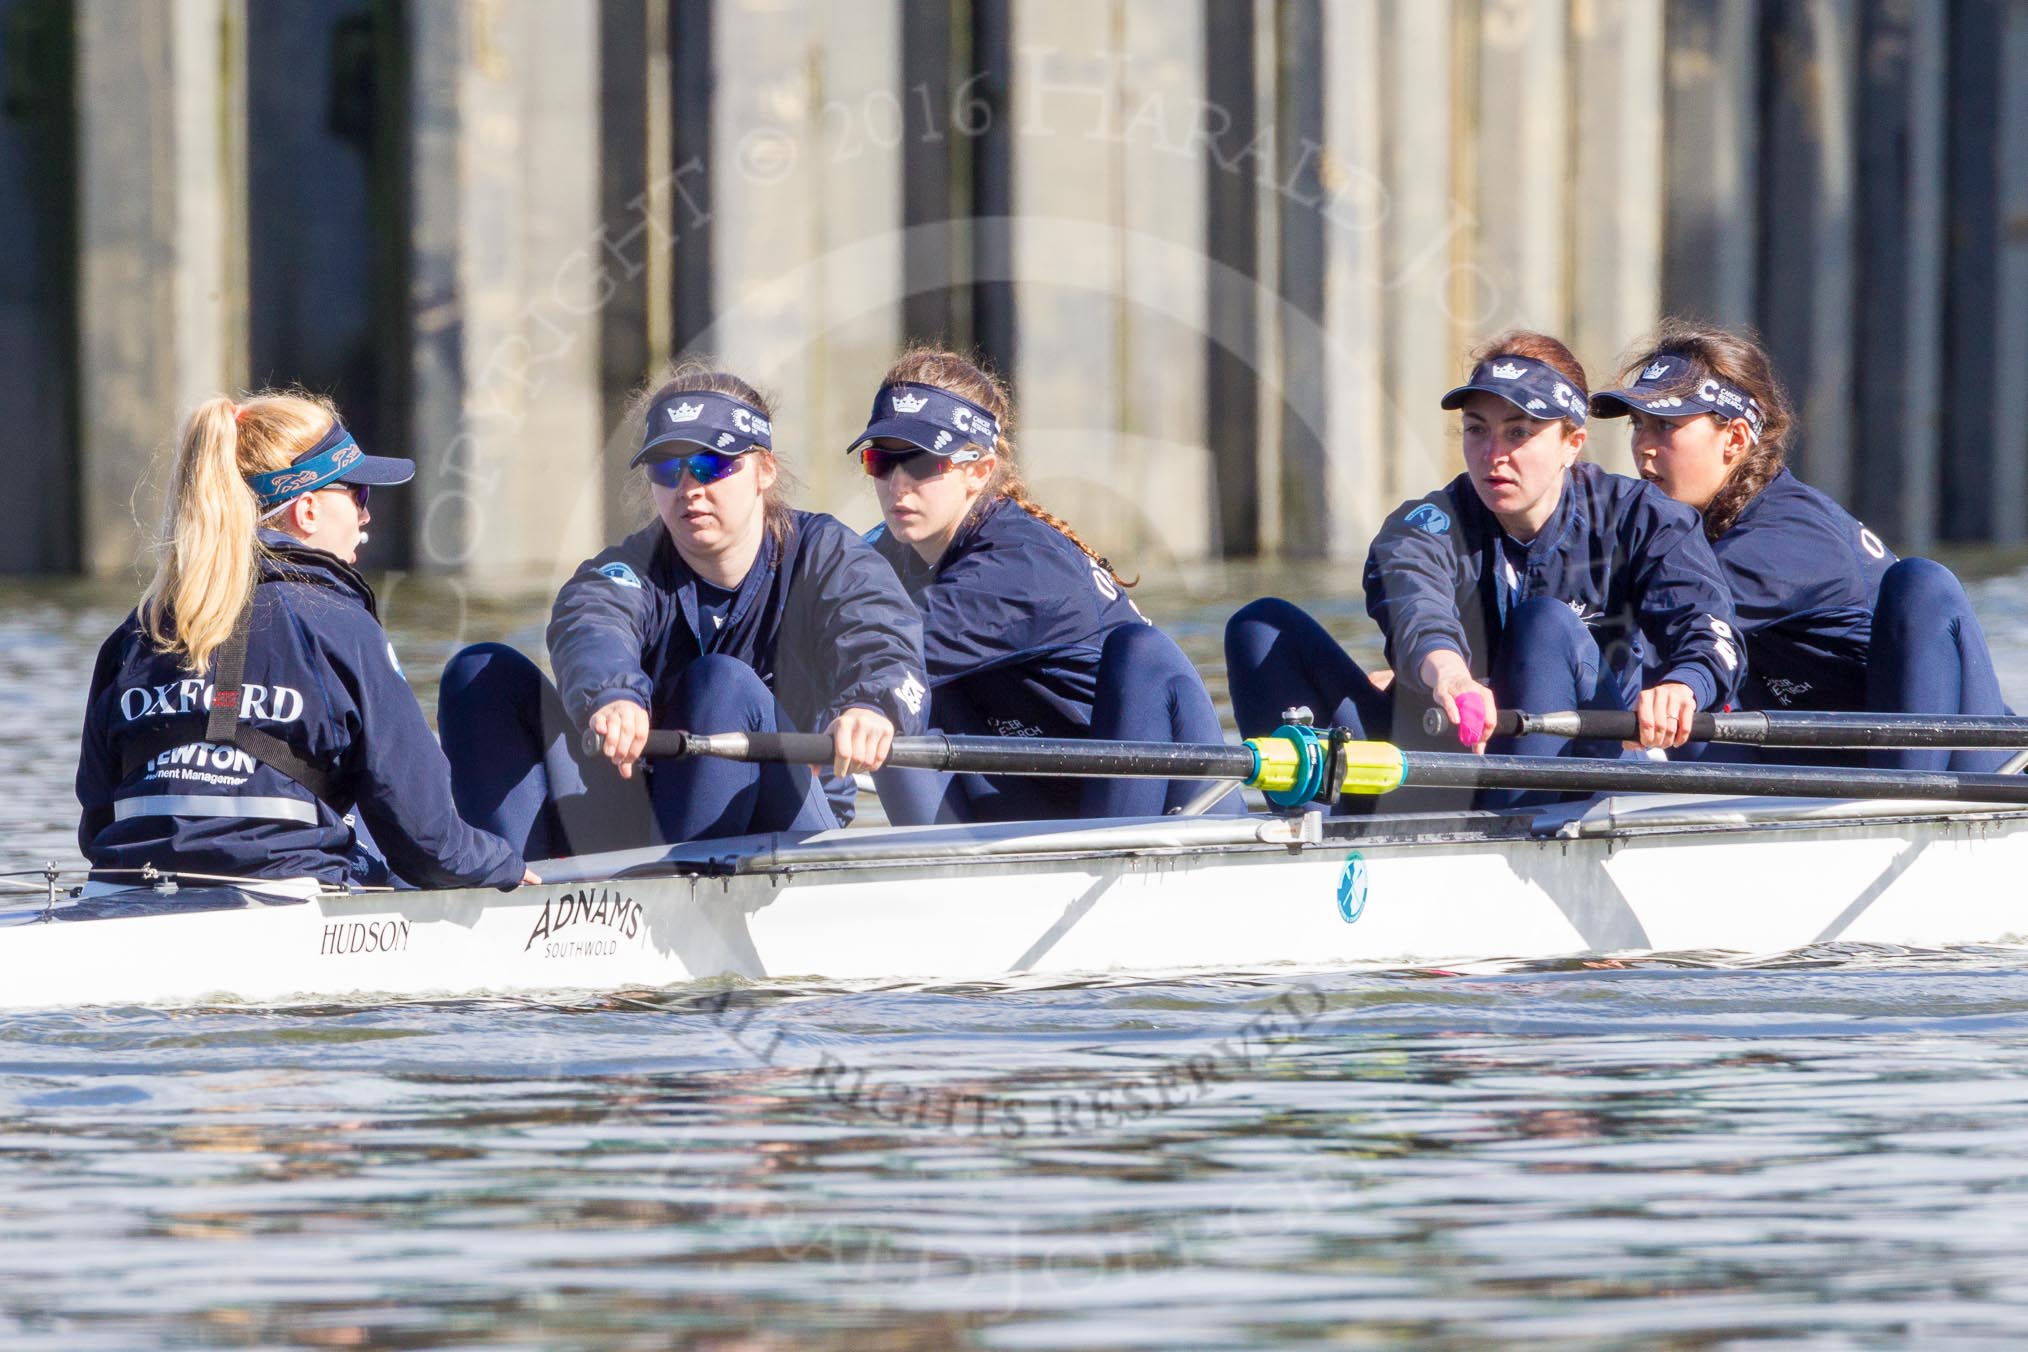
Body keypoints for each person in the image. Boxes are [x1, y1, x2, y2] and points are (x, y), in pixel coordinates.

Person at [1225, 330, 1745, 805]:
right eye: (1477, 431)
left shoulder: (1643, 518)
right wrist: (1450, 674)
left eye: (1519, 433)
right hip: (1443, 758)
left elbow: (1711, 633)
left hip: (1584, 771)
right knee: (1261, 625)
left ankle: (1514, 832)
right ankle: (1311, 844)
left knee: (1545, 622)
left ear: (1572, 443)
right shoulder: (1423, 525)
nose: (1494, 455)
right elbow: (1415, 607)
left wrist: (1685, 687)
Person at [439, 363, 928, 858]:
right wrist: (612, 696)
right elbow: (592, 620)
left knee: (722, 682)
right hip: (646, 813)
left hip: (783, 822)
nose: (689, 487)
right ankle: (512, 888)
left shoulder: (827, 556)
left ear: (765, 470)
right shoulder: (630, 569)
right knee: (480, 670)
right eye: (668, 468)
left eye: (713, 464)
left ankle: (671, 900)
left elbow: (880, 631)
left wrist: (872, 706)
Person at [75, 392, 530, 892]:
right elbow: (428, 844)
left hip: (120, 893)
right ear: (307, 511)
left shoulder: (137, 632)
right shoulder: (342, 626)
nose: (366, 517)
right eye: (358, 494)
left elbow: (98, 818)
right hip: (283, 898)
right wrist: (504, 868)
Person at [1592, 319, 2011, 772]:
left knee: (1922, 581)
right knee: (1690, 710)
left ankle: (1902, 804)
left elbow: (1636, 629)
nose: (1643, 448)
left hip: (1960, 764)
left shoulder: (1788, 536)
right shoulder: (1691, 534)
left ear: (1733, 439)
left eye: (1665, 427)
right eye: (1638, 426)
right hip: (1832, 751)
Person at [853, 348, 1238, 822]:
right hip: (1040, 788)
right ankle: (933, 874)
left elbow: (892, 642)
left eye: (922, 463)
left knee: (887, 675)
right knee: (901, 704)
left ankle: (1116, 857)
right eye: (880, 461)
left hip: (1158, 801)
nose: (897, 484)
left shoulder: (1024, 564)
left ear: (979, 471)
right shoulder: (886, 551)